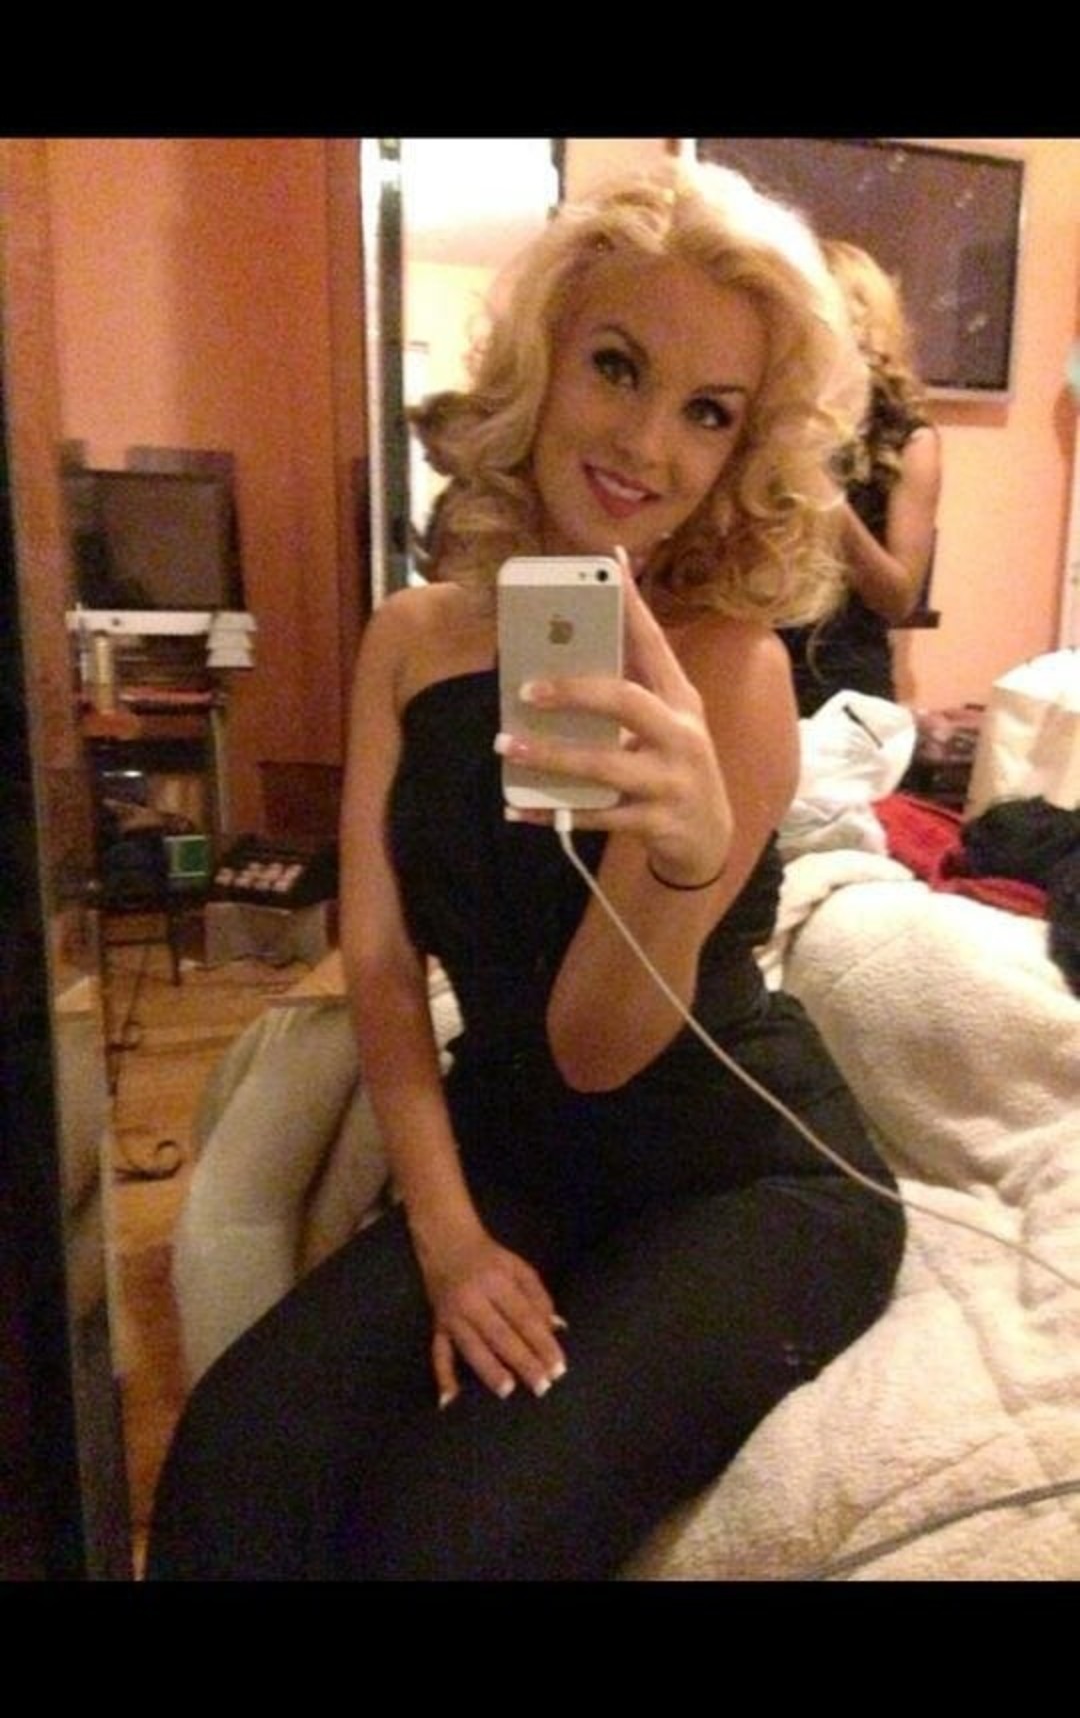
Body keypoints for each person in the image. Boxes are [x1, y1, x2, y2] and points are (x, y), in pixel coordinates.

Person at [146, 160, 905, 1581]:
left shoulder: (728, 671)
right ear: (541, 364)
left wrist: (683, 865)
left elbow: (597, 1047)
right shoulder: (408, 639)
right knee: (233, 1468)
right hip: (509, 1154)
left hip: (742, 1179)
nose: (647, 445)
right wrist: (444, 1233)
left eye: (710, 412)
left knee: (445, 1542)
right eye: (617, 366)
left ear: (745, 449)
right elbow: (381, 964)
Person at [780, 237, 942, 716]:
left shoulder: (910, 440)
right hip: (747, 663)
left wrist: (823, 496)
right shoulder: (770, 417)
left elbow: (899, 598)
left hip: (843, 685)